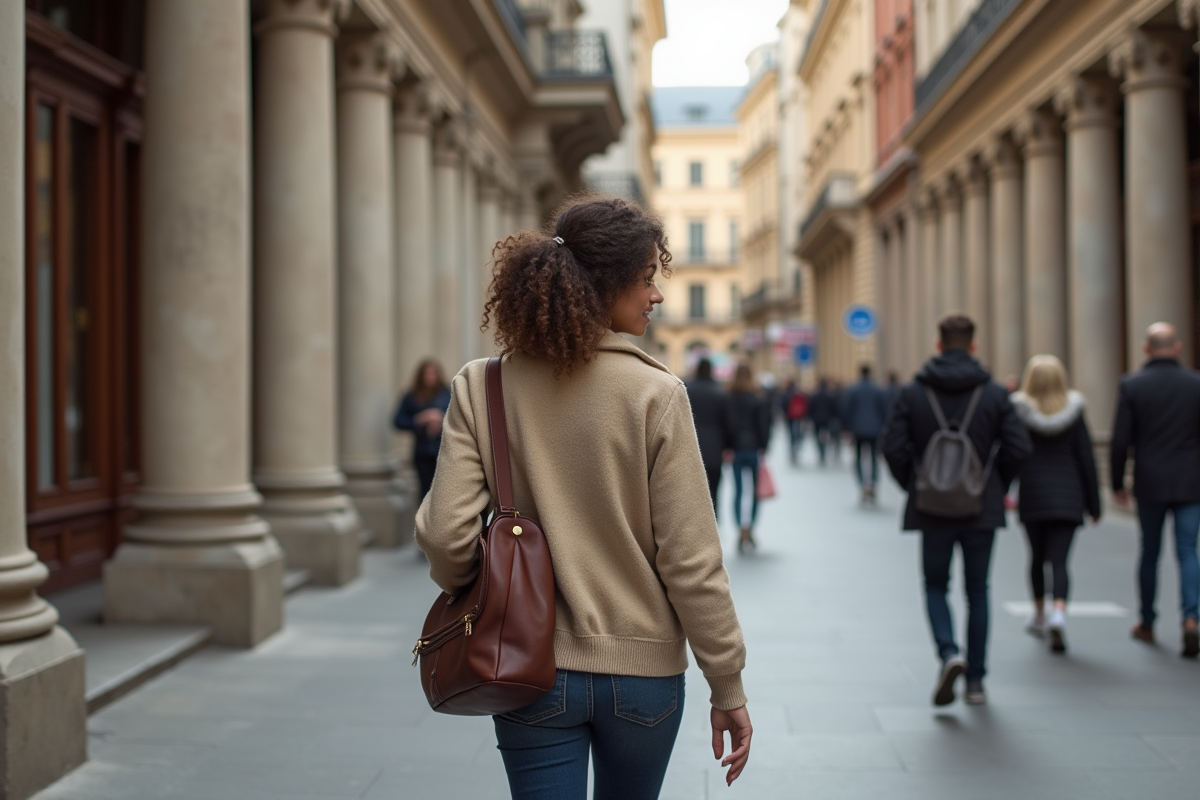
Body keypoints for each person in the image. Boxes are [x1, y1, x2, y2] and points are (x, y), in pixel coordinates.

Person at [414, 197, 752, 799]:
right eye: (647, 279)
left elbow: (444, 534)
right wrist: (726, 684)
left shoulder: (482, 385)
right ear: (608, 283)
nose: (657, 295)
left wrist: (480, 583)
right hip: (644, 677)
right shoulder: (657, 393)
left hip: (528, 664)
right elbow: (692, 562)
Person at [882, 313, 1031, 706]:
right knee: (977, 591)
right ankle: (977, 682)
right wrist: (993, 485)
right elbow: (1019, 448)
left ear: (938, 344)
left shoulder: (914, 392)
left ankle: (949, 653)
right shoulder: (995, 393)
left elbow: (893, 447)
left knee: (935, 585)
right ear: (974, 345)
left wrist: (916, 487)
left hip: (932, 509)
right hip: (980, 507)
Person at [1111, 322, 1200, 658]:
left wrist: (1118, 482)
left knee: (1150, 552)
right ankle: (1191, 619)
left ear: (1146, 349)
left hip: (1150, 479)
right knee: (1188, 550)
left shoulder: (1133, 385)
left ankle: (1147, 621)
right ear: (1177, 348)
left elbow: (1121, 439)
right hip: (1191, 480)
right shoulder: (1195, 384)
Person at [1010, 355, 1101, 654]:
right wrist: (1094, 504)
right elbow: (1086, 460)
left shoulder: (1020, 412)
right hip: (1068, 494)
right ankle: (1058, 613)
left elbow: (1012, 454)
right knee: (1060, 561)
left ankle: (1038, 614)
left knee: (1036, 558)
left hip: (1034, 493)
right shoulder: (1074, 413)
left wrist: (1005, 488)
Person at [393, 359, 451, 505]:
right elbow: (398, 422)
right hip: (422, 452)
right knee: (425, 491)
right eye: (427, 374)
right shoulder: (411, 396)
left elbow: (459, 420)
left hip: (443, 450)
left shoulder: (447, 395)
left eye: (433, 373)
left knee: (444, 491)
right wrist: (420, 419)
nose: (430, 377)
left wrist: (440, 420)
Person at [728, 363, 772, 553]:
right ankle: (751, 527)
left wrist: (727, 446)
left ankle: (740, 529)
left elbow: (727, 424)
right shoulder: (757, 399)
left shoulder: (729, 398)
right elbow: (764, 425)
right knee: (754, 492)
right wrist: (764, 446)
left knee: (738, 491)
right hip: (753, 449)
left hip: (736, 449)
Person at [685, 358, 736, 516]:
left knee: (690, 494)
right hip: (715, 450)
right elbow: (729, 424)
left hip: (690, 450)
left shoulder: (687, 390)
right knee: (713, 493)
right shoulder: (720, 394)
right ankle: (713, 527)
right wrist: (728, 447)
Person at [841, 364, 891, 505]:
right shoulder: (878, 390)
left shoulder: (853, 390)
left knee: (857, 458)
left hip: (857, 430)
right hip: (875, 430)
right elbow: (885, 411)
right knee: (875, 458)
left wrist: (846, 428)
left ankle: (862, 485)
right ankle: (873, 484)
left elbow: (847, 410)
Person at [808, 378, 839, 466]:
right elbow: (834, 408)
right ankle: (823, 450)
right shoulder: (829, 396)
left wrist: (810, 418)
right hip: (826, 419)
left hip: (816, 419)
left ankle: (821, 451)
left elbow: (811, 408)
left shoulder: (814, 396)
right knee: (825, 436)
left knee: (817, 436)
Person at [780, 379, 808, 466]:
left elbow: (783, 405)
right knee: (797, 431)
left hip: (789, 416)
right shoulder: (798, 393)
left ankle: (792, 448)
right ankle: (796, 446)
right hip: (798, 416)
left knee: (791, 433)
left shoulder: (786, 393)